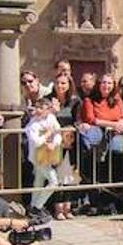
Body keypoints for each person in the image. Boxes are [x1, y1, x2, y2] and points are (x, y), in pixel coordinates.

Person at [79, 73, 123, 213]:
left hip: (114, 141)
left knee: (117, 164)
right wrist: (114, 124)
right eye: (103, 83)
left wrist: (121, 123)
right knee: (97, 170)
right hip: (97, 141)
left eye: (109, 83)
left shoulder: (117, 100)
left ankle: (117, 201)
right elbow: (91, 119)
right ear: (98, 84)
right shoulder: (90, 100)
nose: (106, 86)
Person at [46, 72, 80, 219]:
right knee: (55, 176)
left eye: (63, 83)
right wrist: (52, 111)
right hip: (53, 142)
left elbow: (77, 120)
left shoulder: (75, 101)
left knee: (68, 175)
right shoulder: (47, 100)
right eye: (58, 83)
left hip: (69, 142)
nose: (60, 86)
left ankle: (68, 206)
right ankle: (57, 208)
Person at [25, 98, 67, 216]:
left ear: (48, 110)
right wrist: (48, 134)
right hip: (37, 157)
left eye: (41, 108)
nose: (38, 110)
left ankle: (33, 207)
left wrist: (54, 143)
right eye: (37, 107)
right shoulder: (33, 124)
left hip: (48, 155)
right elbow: (36, 142)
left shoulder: (51, 118)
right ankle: (38, 206)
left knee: (38, 181)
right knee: (54, 181)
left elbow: (58, 132)